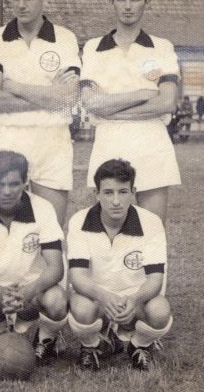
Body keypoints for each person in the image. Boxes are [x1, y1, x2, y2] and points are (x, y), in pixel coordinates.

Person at [0, 0, 80, 226]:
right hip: (8, 137)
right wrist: (48, 95)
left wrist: (14, 86)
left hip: (52, 140)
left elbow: (67, 99)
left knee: (51, 231)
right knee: (4, 229)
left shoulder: (65, 38)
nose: (21, 4)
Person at [80, 0, 181, 222]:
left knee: (152, 230)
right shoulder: (93, 48)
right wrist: (141, 93)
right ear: (111, 0)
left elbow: (168, 101)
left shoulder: (162, 46)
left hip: (152, 142)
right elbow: (90, 103)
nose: (128, 6)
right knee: (108, 231)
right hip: (109, 142)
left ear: (146, 1)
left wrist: (110, 108)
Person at [0, 150, 67, 363]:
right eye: (0, 184)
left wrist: (28, 292)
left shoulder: (43, 208)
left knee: (57, 300)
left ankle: (45, 340)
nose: (7, 191)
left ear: (25, 182)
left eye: (14, 184)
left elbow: (55, 267)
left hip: (31, 290)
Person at [66, 159, 173, 371]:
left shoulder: (150, 222)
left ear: (133, 192)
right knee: (81, 307)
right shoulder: (79, 220)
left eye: (123, 192)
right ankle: (92, 346)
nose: (116, 201)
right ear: (96, 193)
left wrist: (134, 299)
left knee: (160, 310)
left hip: (135, 298)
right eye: (108, 192)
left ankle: (139, 346)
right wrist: (104, 297)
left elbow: (155, 279)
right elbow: (78, 277)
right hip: (97, 297)